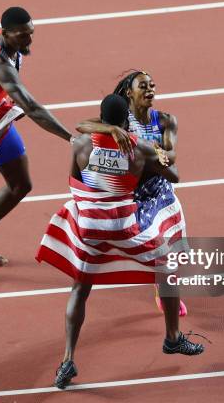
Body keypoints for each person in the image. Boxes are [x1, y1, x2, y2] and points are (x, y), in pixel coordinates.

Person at [36, 95, 204, 389]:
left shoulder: (80, 144)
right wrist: (158, 156)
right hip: (123, 227)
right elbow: (174, 175)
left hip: (90, 229)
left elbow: (77, 182)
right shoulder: (140, 150)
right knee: (167, 268)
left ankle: (67, 361)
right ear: (127, 120)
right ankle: (173, 338)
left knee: (80, 287)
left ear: (101, 121)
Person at [0, 7, 75, 291]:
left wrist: (6, 107)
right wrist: (70, 138)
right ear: (6, 33)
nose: (29, 41)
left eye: (31, 34)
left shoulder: (10, 44)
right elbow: (32, 108)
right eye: (24, 36)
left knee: (21, 184)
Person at [77, 70, 188, 316]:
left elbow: (171, 158)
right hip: (133, 193)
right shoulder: (122, 119)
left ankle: (163, 290)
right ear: (129, 93)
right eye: (143, 86)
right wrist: (113, 131)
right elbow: (82, 125)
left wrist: (151, 150)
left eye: (153, 85)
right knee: (145, 246)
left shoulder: (166, 120)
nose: (150, 90)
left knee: (170, 245)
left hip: (159, 191)